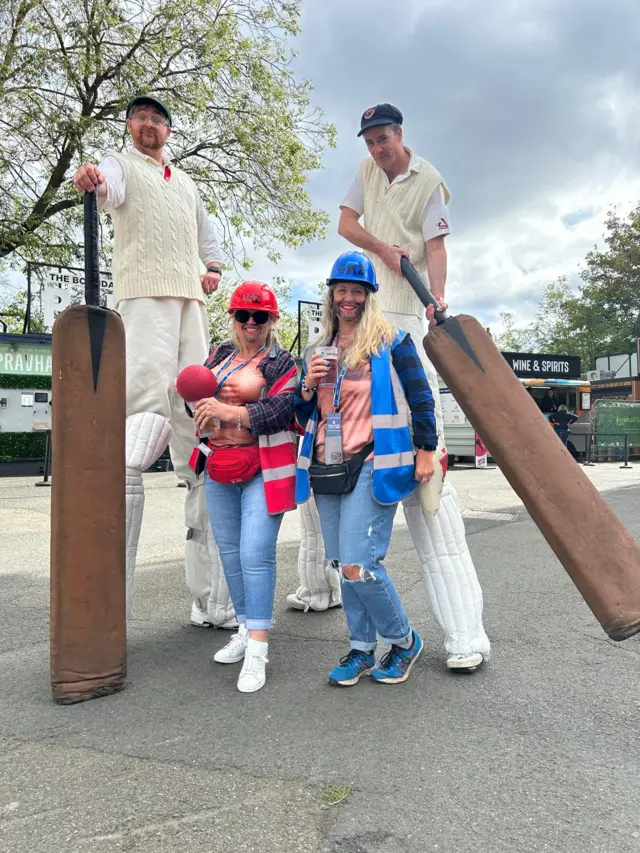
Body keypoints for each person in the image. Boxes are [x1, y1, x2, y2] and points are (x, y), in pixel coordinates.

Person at [289, 102, 490, 673]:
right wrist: (381, 255)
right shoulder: (327, 337)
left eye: (383, 139)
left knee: (426, 510)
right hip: (336, 456)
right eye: (370, 140)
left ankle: (459, 634)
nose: (377, 149)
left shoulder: (429, 181)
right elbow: (346, 225)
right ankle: (354, 637)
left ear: (400, 134)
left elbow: (436, 247)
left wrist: (437, 299)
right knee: (340, 552)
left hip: (404, 310)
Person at [73, 94, 234, 628]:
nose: (149, 126)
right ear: (129, 125)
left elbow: (205, 232)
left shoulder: (185, 182)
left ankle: (211, 598)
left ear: (168, 129)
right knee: (141, 422)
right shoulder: (120, 164)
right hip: (142, 299)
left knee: (201, 429)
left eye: (157, 120)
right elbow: (106, 186)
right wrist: (93, 179)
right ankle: (106, 611)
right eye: (140, 118)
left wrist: (211, 265)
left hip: (190, 303)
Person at [295, 252, 437, 686]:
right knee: (343, 564)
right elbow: (301, 415)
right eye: (342, 290)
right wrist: (306, 383)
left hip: (373, 462)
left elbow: (421, 397)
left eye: (358, 291)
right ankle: (360, 649)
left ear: (369, 296)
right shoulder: (319, 350)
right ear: (332, 296)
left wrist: (427, 448)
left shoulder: (393, 342)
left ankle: (403, 640)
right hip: (327, 466)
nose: (349, 298)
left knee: (360, 563)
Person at [192, 281, 298, 693]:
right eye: (243, 315)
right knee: (230, 553)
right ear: (233, 317)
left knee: (256, 551)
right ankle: (243, 627)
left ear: (271, 319)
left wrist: (227, 411)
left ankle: (258, 648)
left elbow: (281, 408)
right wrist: (197, 409)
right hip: (218, 464)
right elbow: (197, 395)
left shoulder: (282, 361)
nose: (250, 323)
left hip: (263, 466)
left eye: (259, 316)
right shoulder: (218, 354)